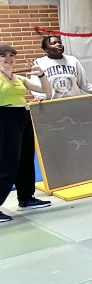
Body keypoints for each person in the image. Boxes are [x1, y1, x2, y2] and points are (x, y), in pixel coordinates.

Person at [0, 43, 52, 222]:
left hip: (23, 116)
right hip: (4, 119)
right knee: (8, 163)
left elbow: (46, 90)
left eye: (11, 55)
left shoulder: (19, 78)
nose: (8, 58)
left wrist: (41, 74)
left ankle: (26, 198)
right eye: (3, 55)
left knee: (25, 159)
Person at [32, 35, 92, 99]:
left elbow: (84, 84)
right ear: (46, 49)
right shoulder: (39, 63)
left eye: (60, 42)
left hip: (74, 101)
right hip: (52, 104)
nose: (58, 44)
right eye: (54, 43)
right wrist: (40, 97)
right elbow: (36, 86)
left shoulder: (72, 60)